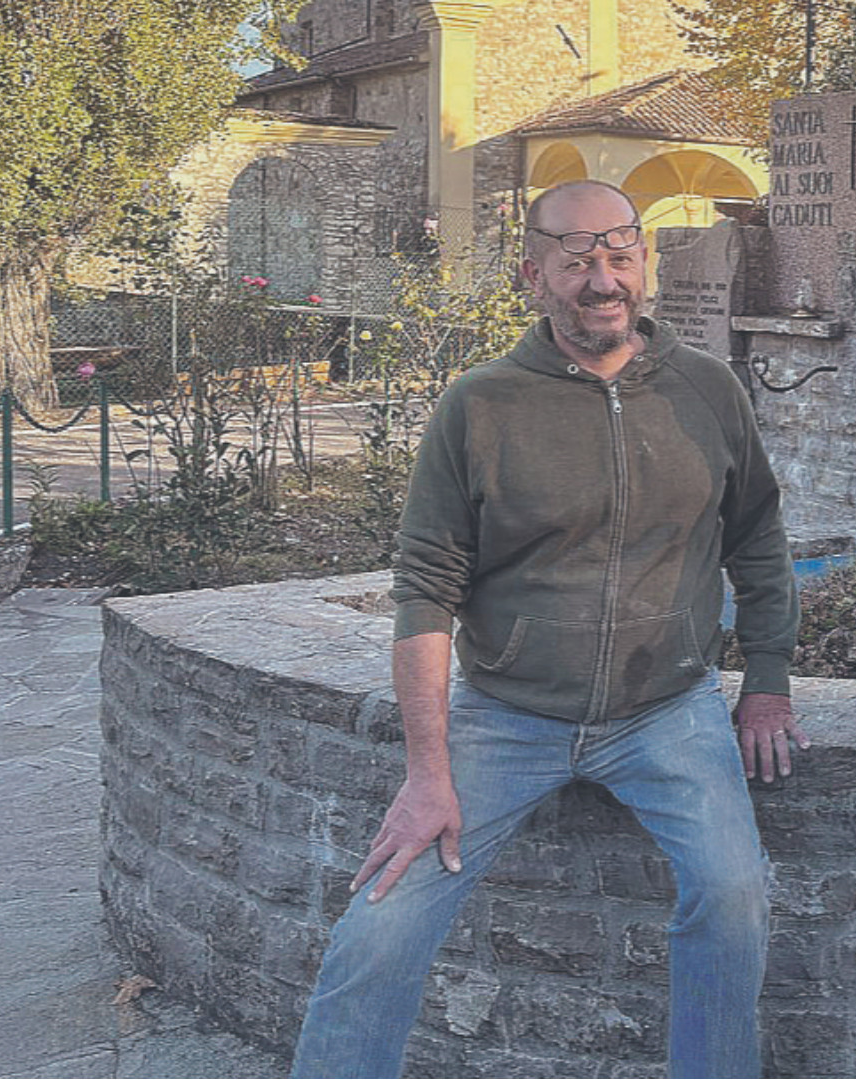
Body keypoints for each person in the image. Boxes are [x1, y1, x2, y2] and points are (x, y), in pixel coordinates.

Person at [291, 179, 806, 1078]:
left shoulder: (709, 390)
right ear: (534, 275)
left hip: (668, 713)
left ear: (644, 264)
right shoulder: (481, 405)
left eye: (617, 256)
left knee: (732, 897)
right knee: (384, 922)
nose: (600, 280)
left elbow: (756, 535)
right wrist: (426, 773)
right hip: (507, 716)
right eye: (575, 262)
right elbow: (424, 590)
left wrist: (768, 680)